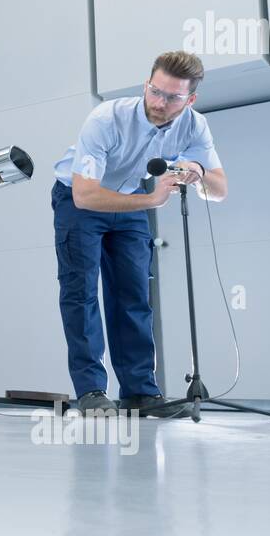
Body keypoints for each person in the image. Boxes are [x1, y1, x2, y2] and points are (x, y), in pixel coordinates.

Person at [51, 51, 227, 415]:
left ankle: (139, 392)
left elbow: (220, 189)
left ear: (190, 99)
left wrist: (196, 169)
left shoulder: (194, 125)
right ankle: (91, 392)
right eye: (155, 91)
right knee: (81, 291)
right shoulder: (106, 119)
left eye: (172, 97)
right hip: (78, 199)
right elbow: (85, 195)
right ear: (147, 84)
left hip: (131, 197)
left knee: (133, 294)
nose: (160, 103)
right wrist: (151, 200)